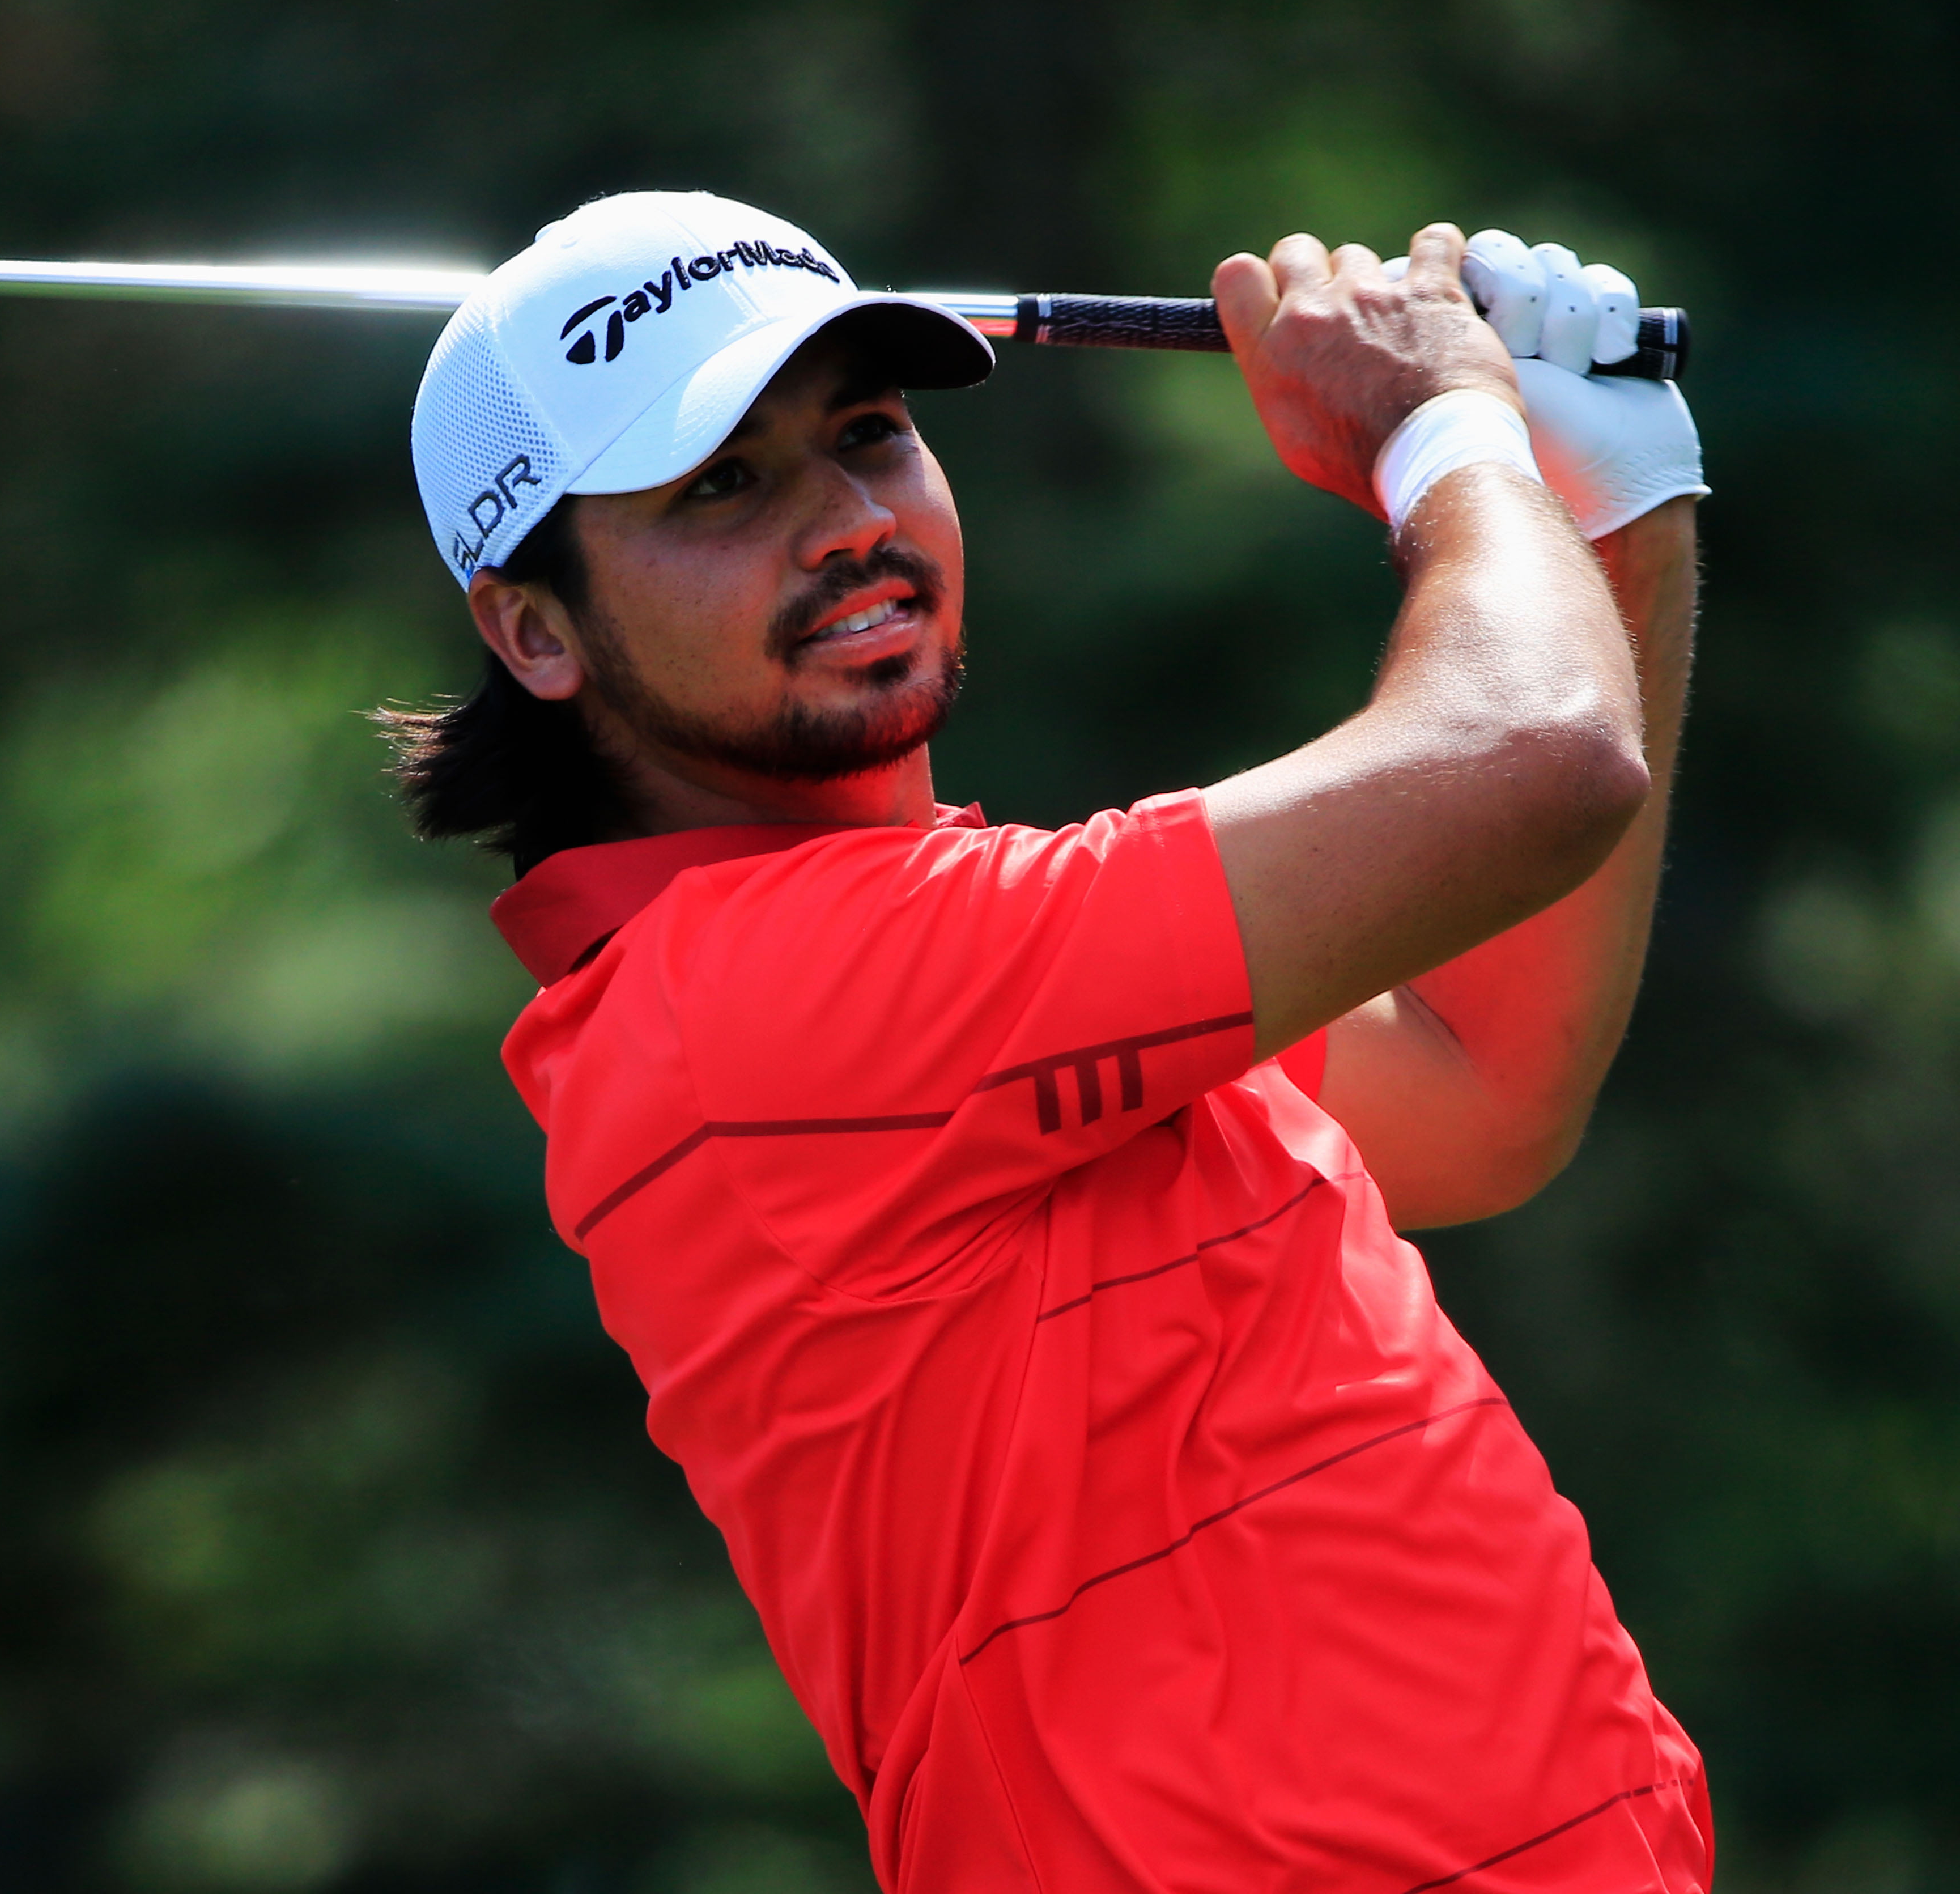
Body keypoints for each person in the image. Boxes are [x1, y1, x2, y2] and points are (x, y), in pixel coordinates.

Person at [385, 192, 1711, 1892]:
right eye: (722, 483)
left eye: (869, 435)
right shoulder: (765, 998)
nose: (848, 522)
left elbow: (1477, 1089)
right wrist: (1446, 434)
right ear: (537, 632)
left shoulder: (963, 955)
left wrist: (1617, 533)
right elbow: (1538, 755)